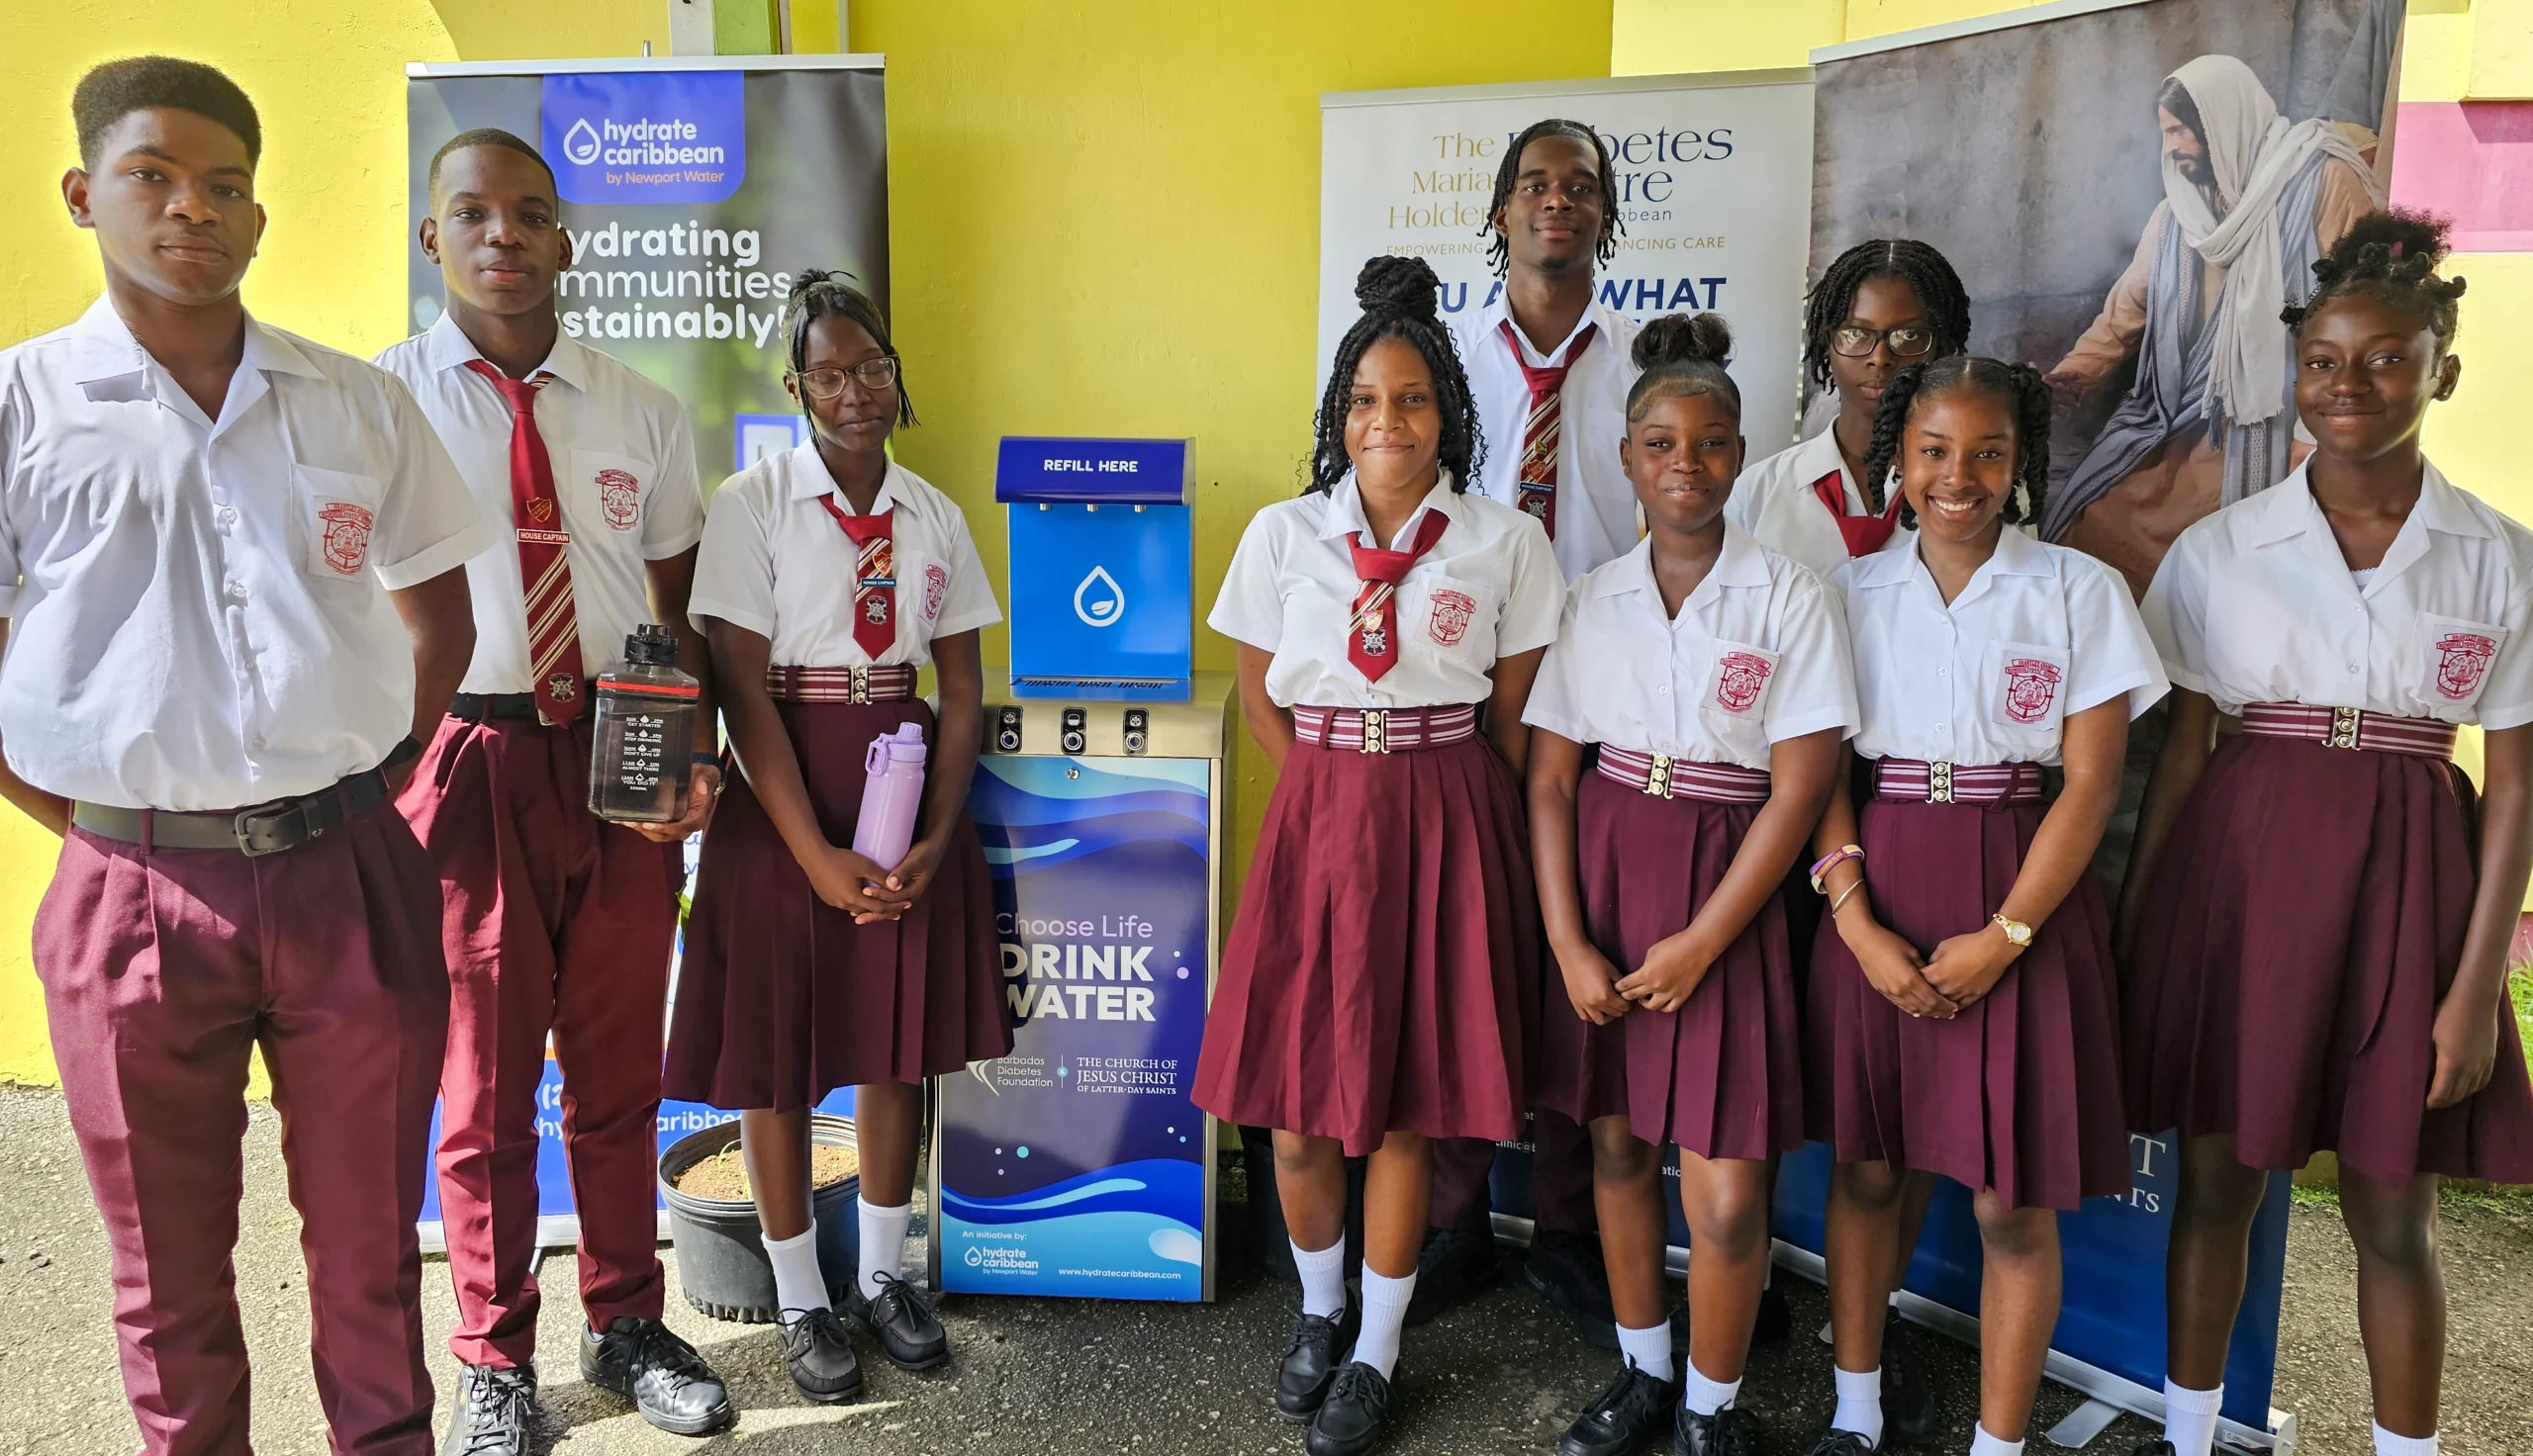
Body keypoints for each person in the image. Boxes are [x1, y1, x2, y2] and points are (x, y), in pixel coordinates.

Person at [0, 57, 492, 1456]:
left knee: (367, 1254)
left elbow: (435, 606)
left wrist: (374, 784)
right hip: (128, 892)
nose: (189, 211)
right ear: (86, 195)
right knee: (167, 1277)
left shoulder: (348, 403)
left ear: (260, 219)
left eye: (223, 186)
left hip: (348, 868)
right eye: (152, 178)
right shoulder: (24, 407)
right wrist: (100, 821)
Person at [2118, 211, 2533, 1456]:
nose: (2349, 384)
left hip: (2410, 887)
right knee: (2215, 1183)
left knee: (2390, 1203)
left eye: (2385, 358)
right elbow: (2183, 752)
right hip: (2237, 886)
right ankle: (2190, 1440)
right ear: (2292, 371)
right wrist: (2142, 942)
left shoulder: (2500, 560)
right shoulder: (2218, 550)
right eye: (2323, 362)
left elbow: (2510, 788)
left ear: (2441, 370)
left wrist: (2475, 989)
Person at [374, 128, 728, 1449]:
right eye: (472, 213)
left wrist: (690, 755)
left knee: (620, 1062)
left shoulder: (640, 407)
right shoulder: (382, 404)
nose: (503, 235)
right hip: (463, 759)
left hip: (619, 756)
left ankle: (629, 1319)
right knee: (482, 1083)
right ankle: (495, 1356)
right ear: (434, 240)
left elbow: (672, 608)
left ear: (569, 240)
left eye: (530, 213)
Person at [1196, 255, 1562, 1456]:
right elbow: (1260, 693)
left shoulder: (1503, 541)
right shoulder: (1284, 533)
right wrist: (1328, 780)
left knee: (1403, 1104)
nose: (1386, 421)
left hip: (1445, 806)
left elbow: (1513, 712)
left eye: (1409, 399)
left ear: (1445, 413)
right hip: (1320, 811)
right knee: (1298, 1108)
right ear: (1337, 415)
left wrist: (1441, 798)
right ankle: (1317, 1306)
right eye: (1363, 399)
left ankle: (1376, 1348)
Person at [1805, 358, 2168, 1456]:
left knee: (2011, 1199)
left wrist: (2007, 933)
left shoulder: (2073, 590)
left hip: (2023, 884)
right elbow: (1817, 771)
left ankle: (1997, 1443)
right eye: (1932, 451)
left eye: (1986, 452)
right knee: (1871, 1167)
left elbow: (2092, 784)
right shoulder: (1846, 589)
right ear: (1898, 459)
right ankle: (1855, 1410)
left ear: (2020, 462)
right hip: (1883, 873)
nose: (1957, 476)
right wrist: (1856, 920)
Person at [666, 271, 1011, 1406]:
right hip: (785, 792)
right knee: (777, 1051)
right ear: (797, 386)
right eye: (830, 373)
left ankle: (879, 1276)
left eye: (872, 367)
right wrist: (813, 852)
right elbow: (738, 683)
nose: (856, 390)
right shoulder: (754, 502)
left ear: (895, 373)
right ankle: (802, 1295)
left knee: (891, 1043)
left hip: (900, 779)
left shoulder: (936, 515)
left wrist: (935, 829)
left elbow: (959, 687)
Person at [1526, 315, 1852, 1456]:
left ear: (1739, 452)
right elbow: (1553, 784)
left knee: (1720, 1194)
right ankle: (1645, 1369)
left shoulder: (1790, 595)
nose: (1685, 464)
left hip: (1730, 893)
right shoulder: (1591, 598)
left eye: (1711, 443)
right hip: (1611, 873)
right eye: (1660, 441)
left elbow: (1800, 789)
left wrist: (1706, 941)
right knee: (1616, 1147)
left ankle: (1714, 1411)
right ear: (1626, 456)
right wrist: (1569, 942)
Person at [1429, 114, 1640, 1344]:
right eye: (1533, 185)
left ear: (1605, 218)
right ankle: (1453, 1215)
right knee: (1466, 945)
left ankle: (1566, 1222)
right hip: (1462, 696)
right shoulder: (1445, 356)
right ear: (1500, 212)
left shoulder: (1643, 367)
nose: (1556, 202)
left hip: (1603, 694)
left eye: (1581, 188)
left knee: (1582, 952)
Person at [2039, 53, 2383, 596]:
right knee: (2090, 519)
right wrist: (2073, 376)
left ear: (2223, 121)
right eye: (2165, 133)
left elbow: (2365, 308)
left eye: (2180, 131)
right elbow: (2126, 310)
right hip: (2176, 417)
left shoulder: (2321, 180)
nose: (2172, 147)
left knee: (2222, 558)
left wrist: (2313, 434)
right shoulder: (2177, 213)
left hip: (2276, 423)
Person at [1728, 239, 1973, 584]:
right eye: (1856, 333)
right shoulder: (1758, 492)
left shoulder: (1979, 491)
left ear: (1943, 347)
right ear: (1826, 343)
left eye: (1909, 335)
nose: (1880, 356)